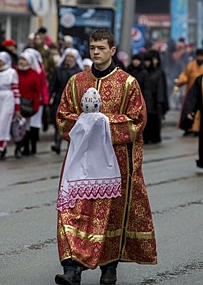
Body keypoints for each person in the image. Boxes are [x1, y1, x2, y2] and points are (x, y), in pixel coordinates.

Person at [54, 29, 157, 285]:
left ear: (112, 50)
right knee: (72, 210)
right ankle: (71, 267)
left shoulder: (127, 83)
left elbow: (137, 120)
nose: (96, 52)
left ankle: (108, 267)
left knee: (109, 214)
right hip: (80, 162)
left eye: (101, 48)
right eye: (92, 48)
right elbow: (62, 117)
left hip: (115, 161)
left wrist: (101, 123)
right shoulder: (76, 82)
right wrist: (84, 124)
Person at [48, 47, 82, 154]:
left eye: (71, 57)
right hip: (59, 99)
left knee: (71, 124)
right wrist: (48, 97)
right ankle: (57, 144)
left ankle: (69, 145)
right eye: (67, 57)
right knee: (58, 123)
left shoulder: (79, 72)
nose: (69, 59)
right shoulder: (58, 70)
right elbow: (52, 85)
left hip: (73, 102)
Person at [174, 49, 203, 135]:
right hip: (191, 92)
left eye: (202, 56)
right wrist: (180, 81)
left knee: (201, 112)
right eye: (199, 55)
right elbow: (185, 75)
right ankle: (188, 128)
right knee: (188, 110)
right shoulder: (191, 65)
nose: (200, 57)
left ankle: (199, 129)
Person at [14, 51, 40, 158]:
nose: (21, 62)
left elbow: (36, 92)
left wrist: (35, 107)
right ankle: (17, 147)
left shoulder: (34, 74)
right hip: (14, 102)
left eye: (24, 60)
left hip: (26, 105)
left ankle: (22, 147)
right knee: (14, 127)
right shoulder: (14, 71)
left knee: (25, 127)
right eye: (21, 59)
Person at [143, 49, 169, 144]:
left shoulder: (159, 72)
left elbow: (161, 88)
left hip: (156, 101)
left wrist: (160, 102)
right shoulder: (145, 72)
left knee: (155, 121)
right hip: (147, 100)